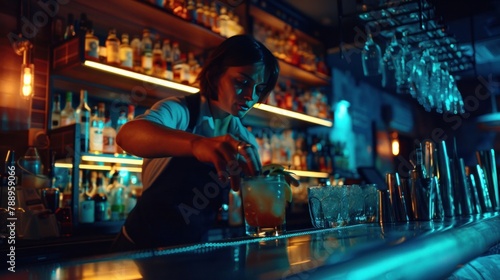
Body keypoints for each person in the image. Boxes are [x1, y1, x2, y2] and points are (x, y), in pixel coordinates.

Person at [111, 35, 280, 252]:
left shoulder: (245, 142)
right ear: (216, 72)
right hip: (137, 250)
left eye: (259, 89)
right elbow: (127, 135)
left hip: (190, 254)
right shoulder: (181, 111)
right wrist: (196, 144)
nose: (250, 96)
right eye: (242, 82)